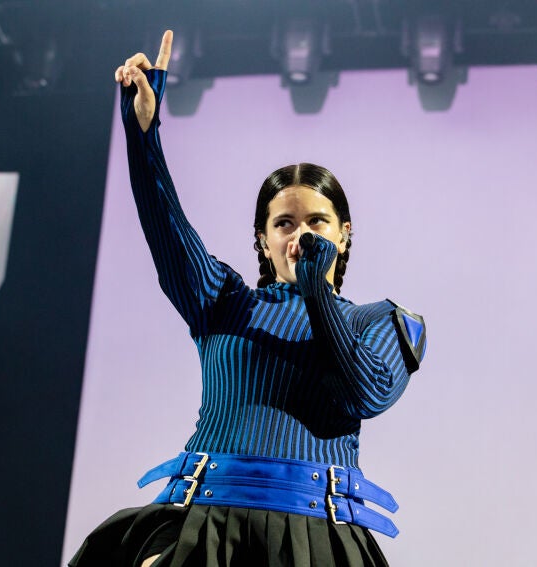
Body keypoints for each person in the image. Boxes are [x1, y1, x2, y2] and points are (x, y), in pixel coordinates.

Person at [70, 31, 426, 567]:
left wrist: (314, 286)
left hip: (317, 540)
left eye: (317, 222)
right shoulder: (224, 300)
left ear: (344, 233)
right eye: (284, 223)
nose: (300, 235)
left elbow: (363, 393)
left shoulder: (382, 321)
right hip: (204, 528)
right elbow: (168, 231)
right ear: (262, 238)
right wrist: (143, 136)